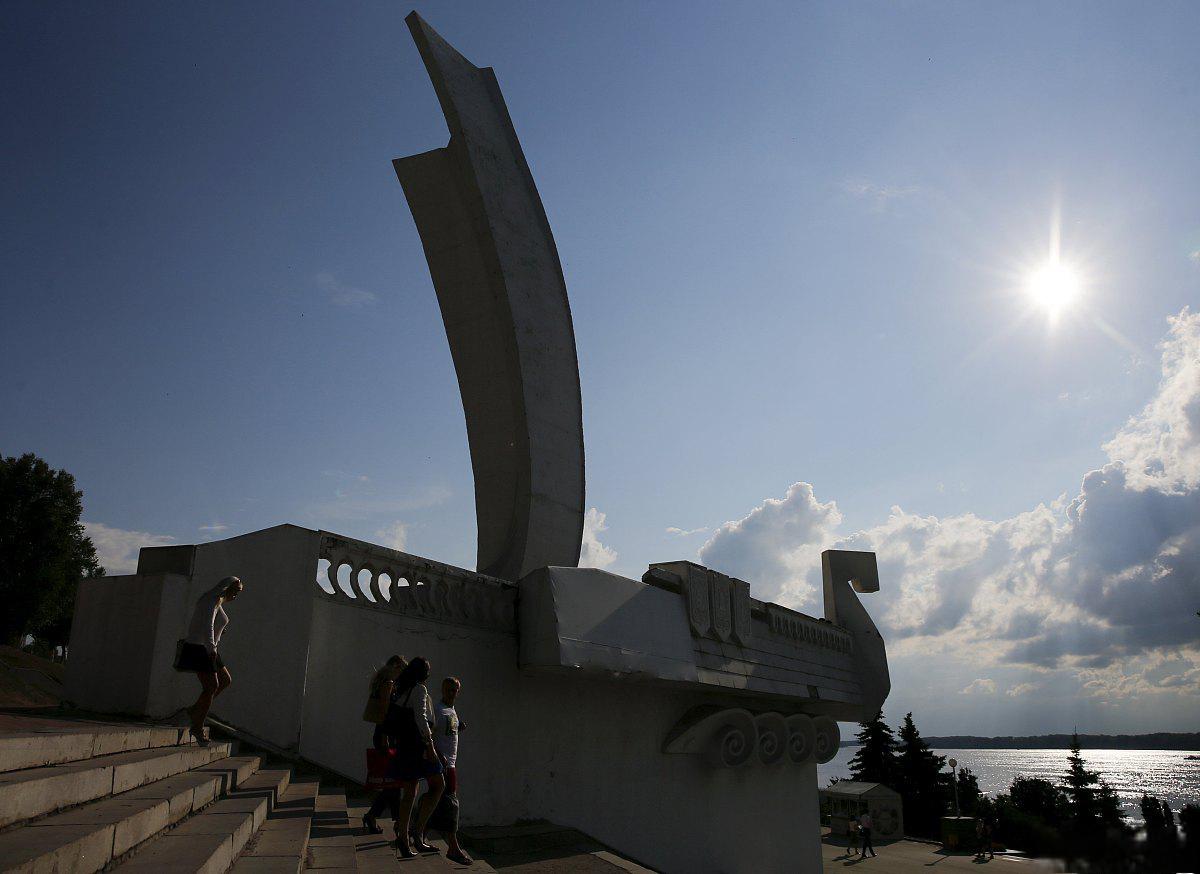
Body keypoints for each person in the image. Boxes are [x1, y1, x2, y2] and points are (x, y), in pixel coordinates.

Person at [385, 657, 445, 858]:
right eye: (427, 669)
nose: (429, 672)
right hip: (418, 745)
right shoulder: (419, 689)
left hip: (406, 745)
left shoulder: (403, 689)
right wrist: (430, 745)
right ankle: (416, 832)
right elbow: (421, 717)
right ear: (422, 672)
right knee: (438, 785)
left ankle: (406, 837)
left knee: (410, 792)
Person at [175, 576, 243, 745]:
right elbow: (207, 624)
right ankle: (197, 726)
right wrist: (211, 647)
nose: (235, 596)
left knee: (225, 680)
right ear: (227, 588)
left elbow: (214, 623)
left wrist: (218, 636)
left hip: (208, 647)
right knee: (211, 686)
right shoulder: (211, 600)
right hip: (200, 648)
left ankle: (194, 710)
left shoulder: (217, 601)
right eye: (235, 592)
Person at [361, 655, 407, 834]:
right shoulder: (388, 684)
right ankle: (385, 819)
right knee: (393, 783)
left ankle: (393, 820)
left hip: (383, 734)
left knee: (394, 783)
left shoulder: (381, 682)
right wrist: (386, 737)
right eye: (402, 669)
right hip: (386, 735)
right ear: (396, 667)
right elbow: (386, 712)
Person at [429, 677, 471, 865]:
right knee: (451, 802)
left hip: (450, 761)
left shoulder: (451, 709)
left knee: (438, 800)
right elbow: (429, 735)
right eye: (448, 690)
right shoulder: (437, 709)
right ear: (443, 689)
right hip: (443, 762)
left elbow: (446, 732)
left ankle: (417, 830)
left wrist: (458, 727)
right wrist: (438, 755)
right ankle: (453, 847)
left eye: (454, 690)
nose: (452, 693)